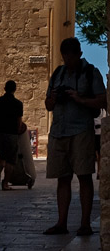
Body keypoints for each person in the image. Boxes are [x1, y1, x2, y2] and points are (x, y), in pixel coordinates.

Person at [43, 37, 107, 236]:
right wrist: (53, 98)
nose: (68, 61)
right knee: (62, 178)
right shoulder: (58, 74)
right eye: (65, 57)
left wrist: (79, 99)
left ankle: (85, 223)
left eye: (71, 57)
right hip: (58, 131)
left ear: (79, 54)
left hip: (81, 130)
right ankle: (61, 222)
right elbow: (48, 105)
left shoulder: (90, 73)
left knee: (84, 176)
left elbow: (102, 101)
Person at [0, 80, 24, 189]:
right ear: (15, 90)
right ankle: (5, 184)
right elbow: (19, 120)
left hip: (0, 132)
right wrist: (18, 131)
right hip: (12, 133)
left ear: (4, 88)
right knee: (10, 159)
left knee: (1, 156)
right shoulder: (18, 104)